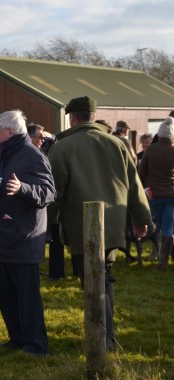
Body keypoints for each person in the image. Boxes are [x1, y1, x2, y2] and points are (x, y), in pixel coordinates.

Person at [48, 96, 152, 351]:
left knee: (93, 281)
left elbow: (54, 192)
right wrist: (142, 220)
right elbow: (134, 185)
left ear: (72, 117)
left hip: (80, 226)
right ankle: (107, 334)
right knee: (104, 277)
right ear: (93, 116)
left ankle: (101, 337)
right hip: (113, 225)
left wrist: (47, 225)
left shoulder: (62, 147)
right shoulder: (117, 143)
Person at [0, 110, 55, 355]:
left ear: (10, 131)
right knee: (6, 295)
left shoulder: (31, 156)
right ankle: (17, 339)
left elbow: (48, 193)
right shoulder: (5, 154)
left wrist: (23, 188)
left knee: (27, 297)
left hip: (23, 236)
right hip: (4, 235)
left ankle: (36, 345)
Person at [28, 123, 64, 280]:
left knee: (55, 237)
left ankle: (55, 272)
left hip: (50, 200)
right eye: (40, 137)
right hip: (37, 202)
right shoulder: (30, 155)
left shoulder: (45, 152)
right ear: (30, 137)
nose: (43, 140)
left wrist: (52, 139)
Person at [138, 117, 174, 270]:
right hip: (171, 195)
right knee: (168, 227)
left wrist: (141, 189)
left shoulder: (150, 150)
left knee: (161, 225)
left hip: (153, 195)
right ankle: (164, 260)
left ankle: (163, 260)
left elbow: (141, 172)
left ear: (159, 135)